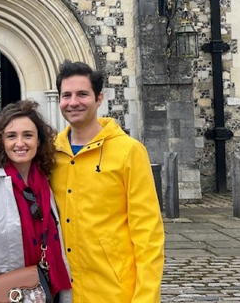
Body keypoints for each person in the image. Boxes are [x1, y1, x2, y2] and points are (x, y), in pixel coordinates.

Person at [50, 61, 164, 303]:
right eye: (66, 95)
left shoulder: (129, 151)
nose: (73, 102)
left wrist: (145, 297)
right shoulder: (50, 154)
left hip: (113, 291)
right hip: (61, 291)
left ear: (99, 98)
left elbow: (148, 234)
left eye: (82, 94)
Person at [0, 100, 72, 303]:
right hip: (11, 296)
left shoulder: (47, 185)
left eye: (28, 135)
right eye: (11, 136)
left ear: (39, 140)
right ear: (1, 141)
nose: (20, 143)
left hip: (49, 291)